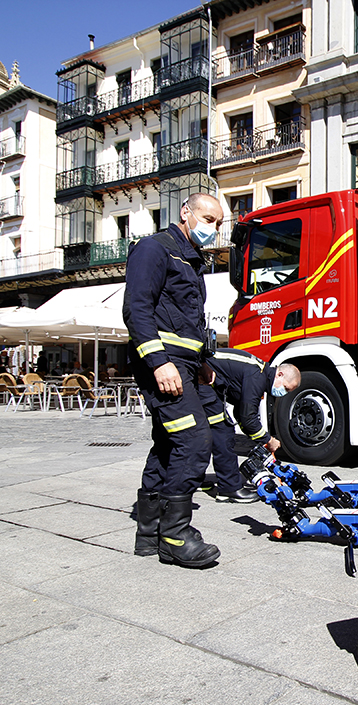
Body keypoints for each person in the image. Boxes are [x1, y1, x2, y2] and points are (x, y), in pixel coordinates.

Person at [123, 192, 224, 568]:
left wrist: (202, 361)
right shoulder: (154, 249)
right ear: (186, 212)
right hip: (163, 365)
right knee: (195, 440)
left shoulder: (191, 262)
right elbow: (137, 309)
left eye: (217, 222)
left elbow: (185, 322)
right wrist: (159, 362)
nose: (212, 228)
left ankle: (148, 535)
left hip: (184, 365)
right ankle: (175, 535)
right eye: (208, 218)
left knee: (168, 445)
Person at [201, 348, 302, 502]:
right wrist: (268, 440)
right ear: (280, 374)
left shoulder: (260, 374)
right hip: (203, 379)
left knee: (202, 435)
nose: (284, 393)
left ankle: (193, 479)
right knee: (223, 432)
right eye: (286, 388)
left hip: (206, 380)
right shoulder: (257, 377)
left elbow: (241, 411)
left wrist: (260, 438)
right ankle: (229, 489)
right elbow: (248, 418)